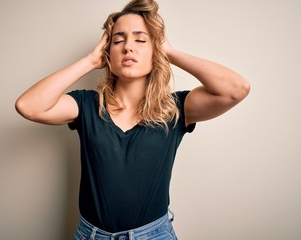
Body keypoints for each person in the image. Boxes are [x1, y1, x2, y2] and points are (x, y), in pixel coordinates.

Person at [15, 0, 250, 239]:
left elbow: (236, 89)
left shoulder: (175, 108)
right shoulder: (86, 105)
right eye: (118, 40)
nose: (128, 47)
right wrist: (89, 61)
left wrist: (170, 52)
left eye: (140, 40)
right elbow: (28, 106)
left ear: (155, 49)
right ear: (108, 53)